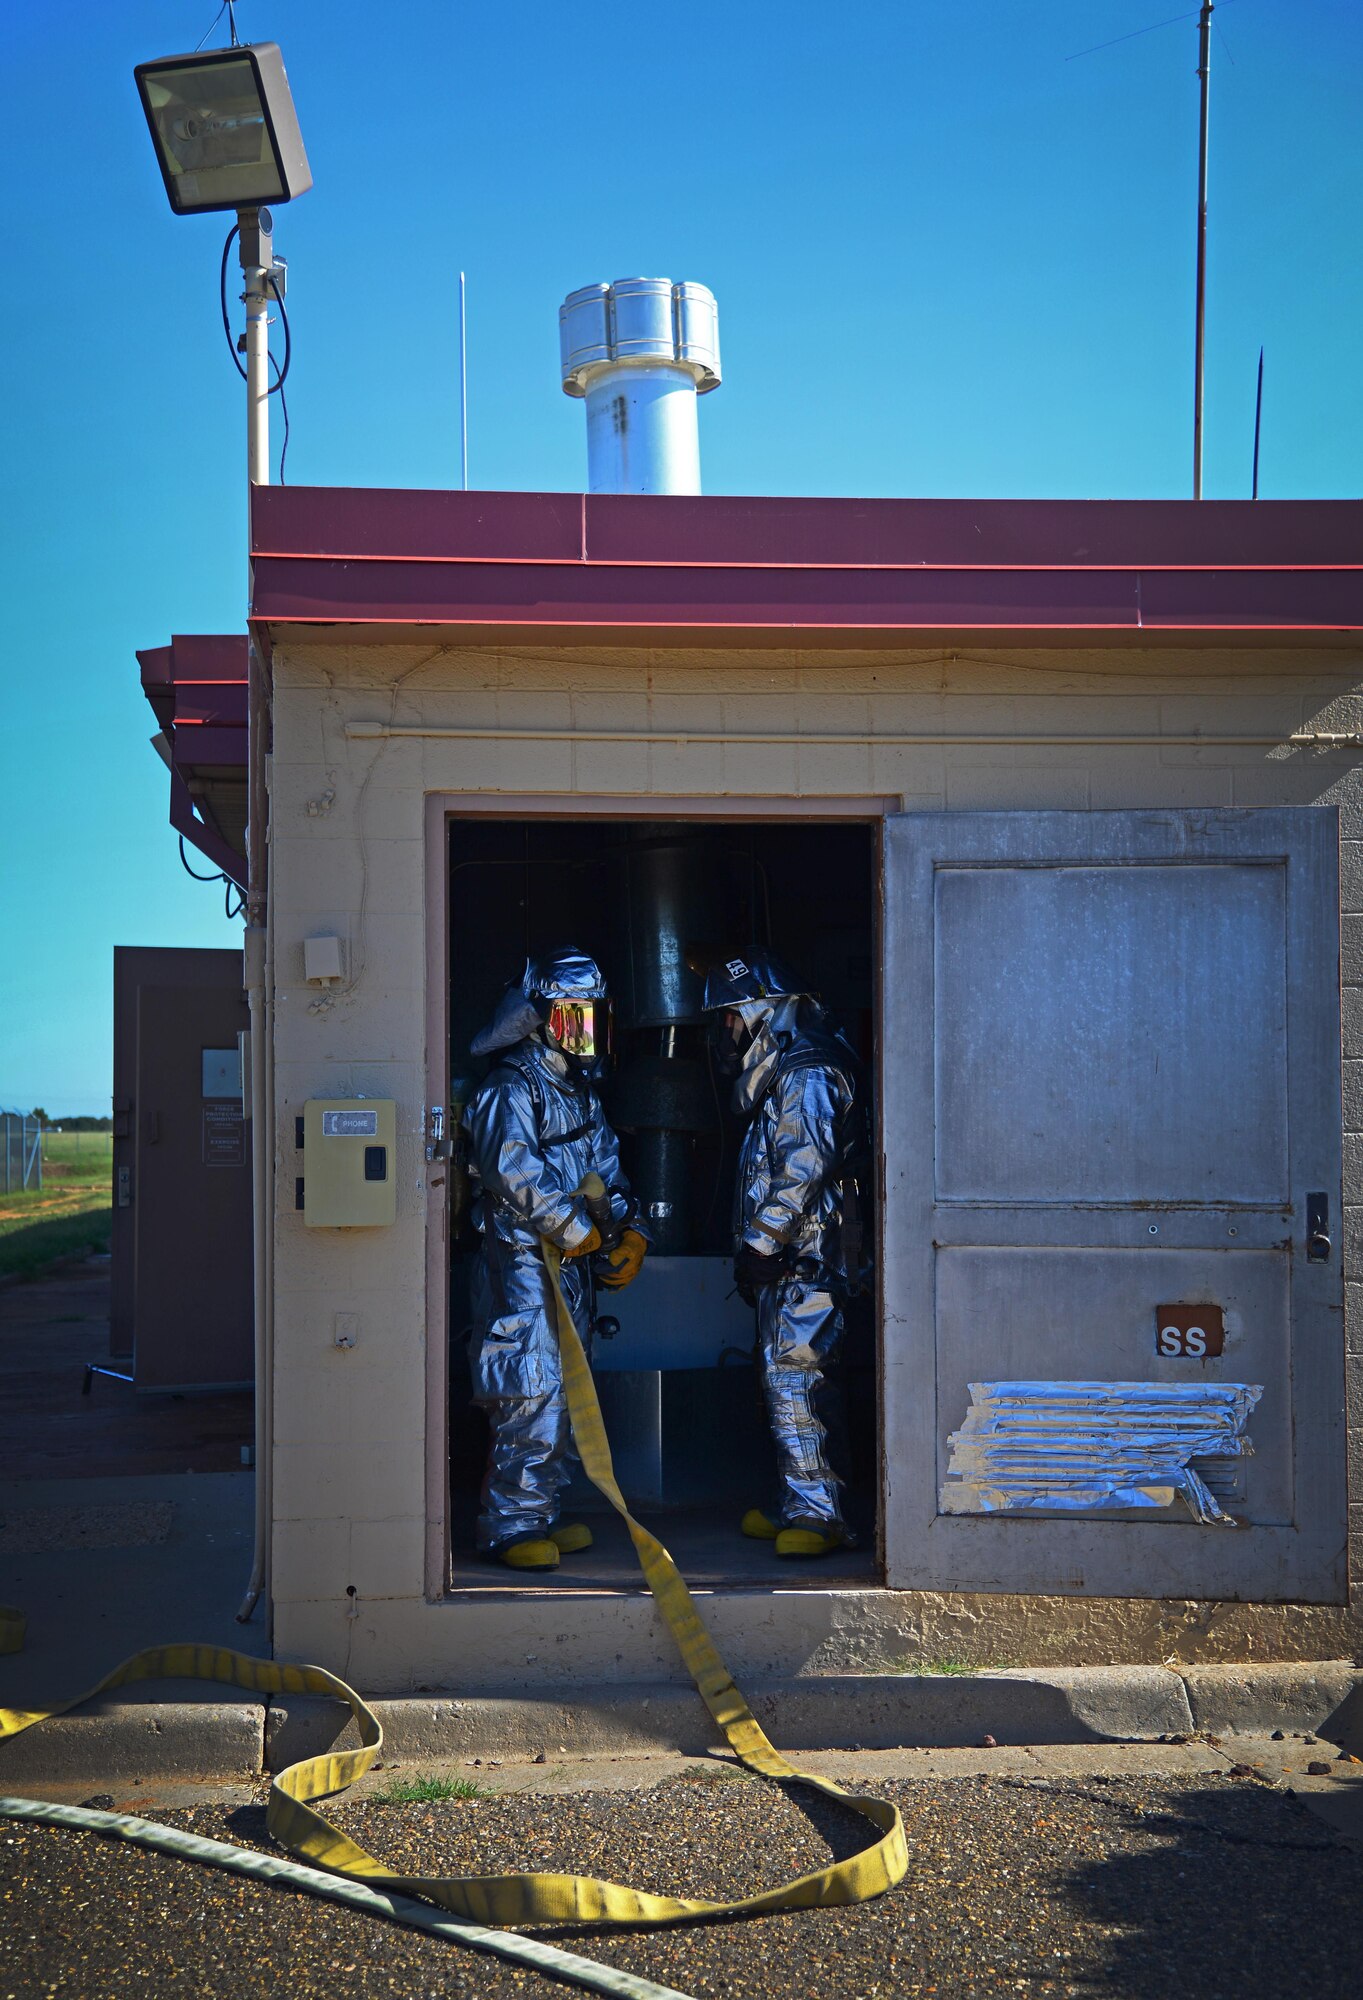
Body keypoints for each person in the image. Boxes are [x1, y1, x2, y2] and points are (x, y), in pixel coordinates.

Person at [462, 948, 648, 1570]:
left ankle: (540, 1511)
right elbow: (511, 1169)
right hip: (520, 1265)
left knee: (570, 1387)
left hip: (568, 1267)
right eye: (575, 1016)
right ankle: (509, 1525)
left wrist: (628, 1230)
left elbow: (606, 1172)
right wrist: (574, 1229)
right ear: (538, 1017)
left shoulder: (579, 1091)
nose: (587, 1031)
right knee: (530, 1385)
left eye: (594, 1016)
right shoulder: (509, 1086)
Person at [702, 951, 867, 1558]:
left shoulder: (808, 1071)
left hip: (810, 1259)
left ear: (764, 1013)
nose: (726, 1033)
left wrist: (762, 1240)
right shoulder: (788, 1072)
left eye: (731, 1018)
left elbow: (804, 1166)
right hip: (797, 1260)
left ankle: (820, 1512)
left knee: (795, 1377)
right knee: (787, 1377)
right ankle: (801, 1500)